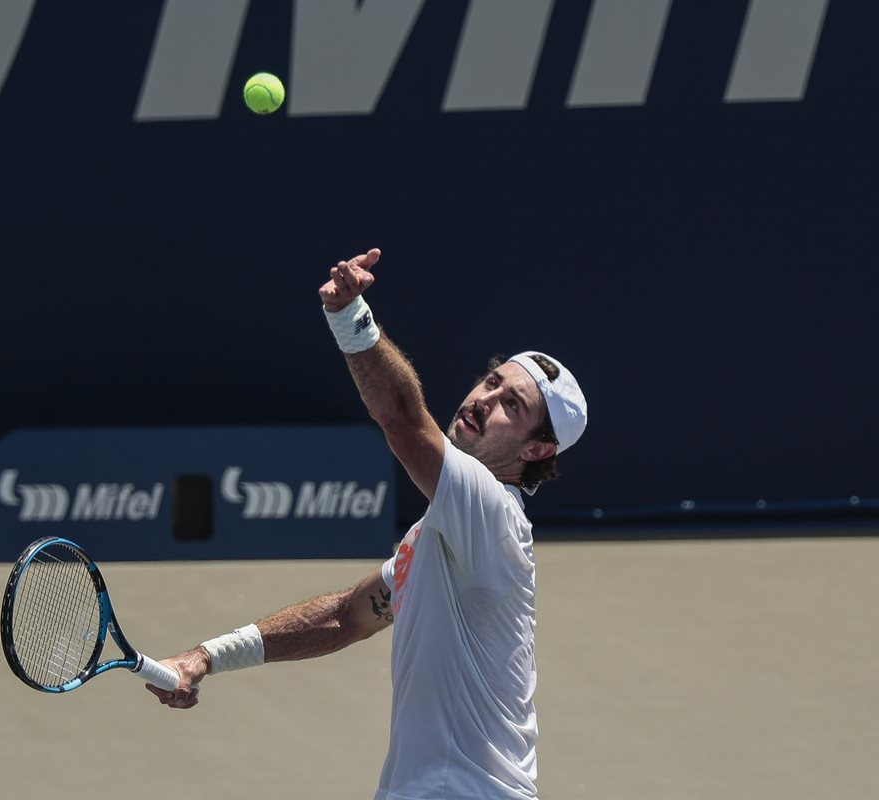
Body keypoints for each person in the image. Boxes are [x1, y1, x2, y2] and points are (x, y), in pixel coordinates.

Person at [146, 247, 588, 799]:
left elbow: (402, 418)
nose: (485, 399)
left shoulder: (490, 510)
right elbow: (344, 617)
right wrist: (207, 656)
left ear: (536, 450)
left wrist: (350, 317)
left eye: (512, 405)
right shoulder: (441, 532)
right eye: (491, 381)